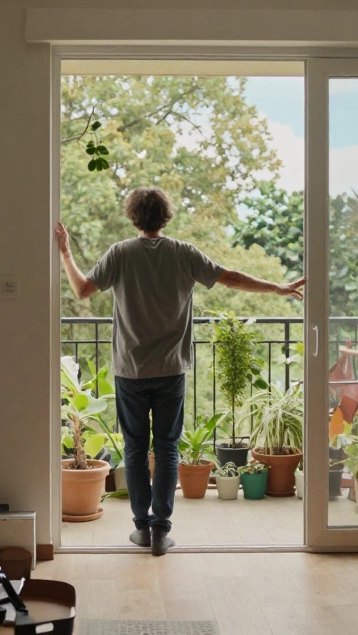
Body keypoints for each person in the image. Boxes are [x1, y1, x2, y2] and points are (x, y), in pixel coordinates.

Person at [55, 186, 305, 555]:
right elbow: (232, 277)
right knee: (168, 448)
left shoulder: (120, 253)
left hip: (131, 371)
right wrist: (279, 288)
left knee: (135, 449)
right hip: (171, 370)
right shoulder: (183, 253)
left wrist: (65, 251)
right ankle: (161, 528)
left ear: (132, 216)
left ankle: (142, 527)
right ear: (166, 216)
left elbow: (81, 290)